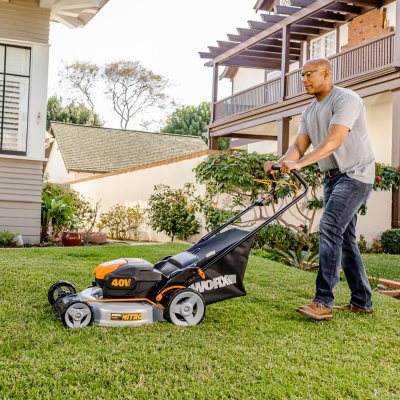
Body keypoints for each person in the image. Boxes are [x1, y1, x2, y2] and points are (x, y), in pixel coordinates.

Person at [264, 58, 375, 321]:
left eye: (309, 74)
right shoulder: (310, 111)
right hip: (332, 178)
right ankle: (362, 301)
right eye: (302, 76)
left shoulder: (346, 99)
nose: (305, 80)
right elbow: (298, 147)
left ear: (327, 73)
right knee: (345, 239)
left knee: (330, 227)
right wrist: (280, 163)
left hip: (355, 175)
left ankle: (323, 301)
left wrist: (300, 163)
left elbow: (334, 140)